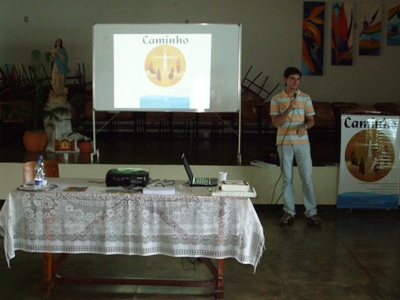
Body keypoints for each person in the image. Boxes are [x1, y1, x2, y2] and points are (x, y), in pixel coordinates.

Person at [270, 67, 322, 226]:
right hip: (284, 143)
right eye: (292, 78)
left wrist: (305, 127)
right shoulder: (276, 99)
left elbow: (311, 120)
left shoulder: (305, 98)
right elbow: (275, 122)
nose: (295, 82)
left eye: (298, 79)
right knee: (287, 178)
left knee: (306, 177)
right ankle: (289, 211)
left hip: (302, 143)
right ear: (285, 79)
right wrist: (289, 108)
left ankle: (311, 211)